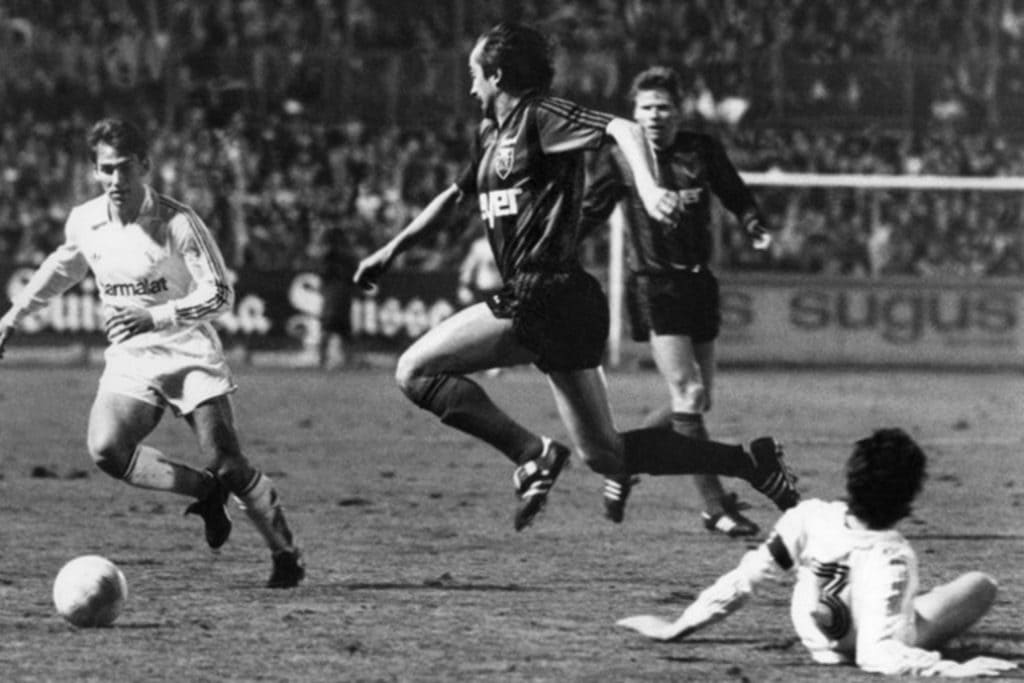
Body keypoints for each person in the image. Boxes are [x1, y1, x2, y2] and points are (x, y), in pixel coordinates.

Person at [353, 23, 799, 532]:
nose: (469, 86)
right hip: (564, 303)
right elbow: (456, 198)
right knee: (607, 455)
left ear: (496, 76)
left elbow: (623, 129)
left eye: (474, 75)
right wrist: (391, 250)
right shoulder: (489, 135)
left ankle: (531, 453)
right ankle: (751, 463)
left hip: (543, 290)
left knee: (414, 371)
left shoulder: (540, 114)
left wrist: (651, 193)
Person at [0, 118, 304, 588]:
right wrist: (13, 317)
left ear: (145, 165)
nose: (116, 180)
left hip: (187, 351)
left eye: (125, 168)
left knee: (228, 462)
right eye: (106, 170)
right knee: (106, 449)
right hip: (132, 356)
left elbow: (220, 295)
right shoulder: (86, 220)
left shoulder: (178, 221)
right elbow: (63, 266)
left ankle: (285, 553)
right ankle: (205, 492)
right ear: (95, 170)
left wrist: (157, 316)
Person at [618, 428, 1017, 678]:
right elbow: (876, 656)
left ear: (852, 479)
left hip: (814, 637)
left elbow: (745, 581)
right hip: (862, 641)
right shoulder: (894, 555)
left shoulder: (809, 517)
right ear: (909, 499)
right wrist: (951, 669)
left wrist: (679, 626)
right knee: (980, 585)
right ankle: (918, 628)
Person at [580, 66, 774, 535]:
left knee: (697, 399)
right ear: (634, 112)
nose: (654, 115)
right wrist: (555, 252)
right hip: (654, 285)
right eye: (645, 107)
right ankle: (715, 506)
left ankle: (623, 463)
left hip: (698, 284)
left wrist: (752, 223)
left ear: (678, 110)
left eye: (663, 107)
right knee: (687, 393)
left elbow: (736, 193)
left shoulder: (701, 150)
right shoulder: (620, 158)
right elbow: (590, 211)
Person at [316, 226, 358, 370]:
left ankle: (324, 360)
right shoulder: (347, 256)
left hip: (335, 296)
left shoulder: (330, 258)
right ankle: (347, 360)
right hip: (340, 296)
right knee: (342, 332)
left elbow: (322, 274)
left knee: (330, 329)